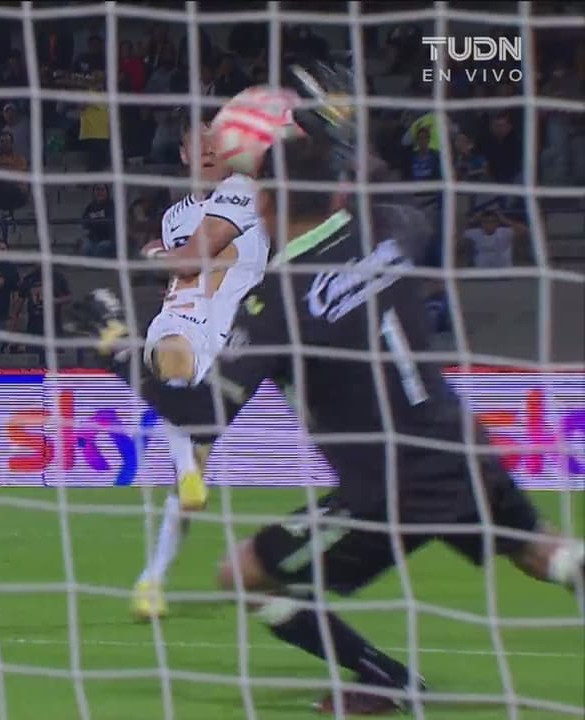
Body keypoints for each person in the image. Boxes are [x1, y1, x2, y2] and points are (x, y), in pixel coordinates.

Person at [82, 93, 584, 715]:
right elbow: (396, 196)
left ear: (266, 206)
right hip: (458, 442)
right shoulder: (386, 232)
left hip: (388, 488)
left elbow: (199, 417)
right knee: (543, 552)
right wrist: (337, 133)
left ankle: (384, 679)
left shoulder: (277, 305)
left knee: (245, 576)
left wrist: (119, 353)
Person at [128, 108, 270, 620]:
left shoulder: (249, 194)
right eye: (199, 143)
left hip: (231, 339)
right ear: (185, 154)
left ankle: (151, 579)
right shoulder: (174, 215)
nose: (208, 150)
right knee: (172, 356)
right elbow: (183, 271)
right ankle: (187, 470)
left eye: (217, 142)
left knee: (191, 479)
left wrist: (153, 255)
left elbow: (196, 258)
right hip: (181, 319)